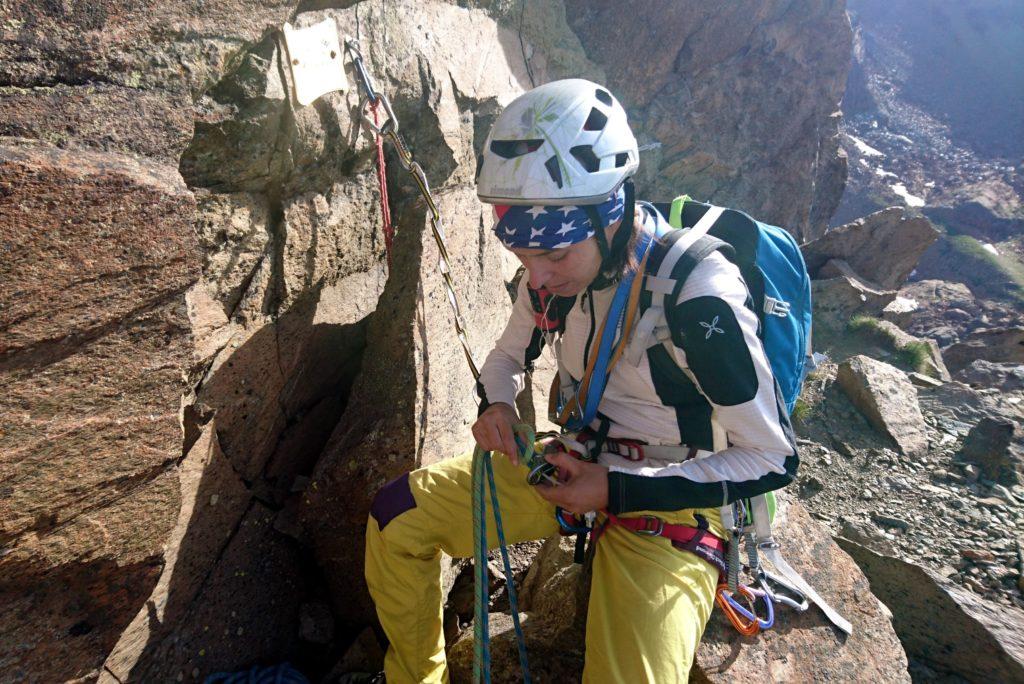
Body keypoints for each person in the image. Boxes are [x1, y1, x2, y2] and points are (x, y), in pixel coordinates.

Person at [364, 79, 798, 683]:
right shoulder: (553, 272)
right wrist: (496, 406)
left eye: (555, 255)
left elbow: (772, 459)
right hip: (570, 464)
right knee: (396, 517)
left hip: (678, 495)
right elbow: (506, 358)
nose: (536, 276)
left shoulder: (696, 292)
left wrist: (616, 490)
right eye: (522, 258)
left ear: (610, 214)